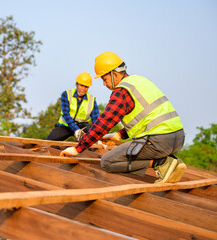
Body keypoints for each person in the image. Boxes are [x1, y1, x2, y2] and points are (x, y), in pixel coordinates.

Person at [60, 52, 186, 183]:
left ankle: (161, 162)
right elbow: (148, 117)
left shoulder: (122, 91)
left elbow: (103, 123)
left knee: (108, 162)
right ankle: (169, 161)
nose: (103, 84)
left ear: (114, 74)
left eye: (104, 79)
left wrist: (77, 149)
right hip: (178, 139)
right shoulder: (140, 81)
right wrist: (119, 135)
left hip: (158, 142)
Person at [46, 72, 100, 141]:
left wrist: (97, 135)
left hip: (82, 126)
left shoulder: (91, 100)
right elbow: (66, 114)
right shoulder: (66, 94)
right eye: (81, 85)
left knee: (92, 134)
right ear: (76, 84)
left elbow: (96, 119)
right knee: (48, 142)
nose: (83, 88)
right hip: (66, 125)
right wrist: (76, 129)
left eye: (86, 86)